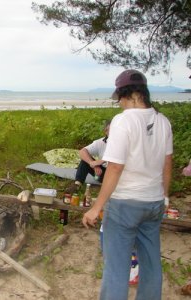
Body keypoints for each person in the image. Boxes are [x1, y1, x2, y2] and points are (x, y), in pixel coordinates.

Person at [82, 70, 172, 300]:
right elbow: (167, 164)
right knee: (151, 263)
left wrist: (96, 207)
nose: (119, 103)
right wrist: (165, 197)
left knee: (116, 267)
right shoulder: (163, 121)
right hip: (153, 203)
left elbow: (115, 167)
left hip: (125, 204)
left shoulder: (122, 121)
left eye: (119, 97)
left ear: (127, 94)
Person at [65, 120, 111, 194]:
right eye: (110, 130)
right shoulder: (100, 142)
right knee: (85, 160)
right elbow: (82, 151)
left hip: (118, 175)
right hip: (103, 173)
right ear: (106, 131)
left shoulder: (124, 142)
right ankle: (77, 185)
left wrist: (102, 161)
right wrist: (93, 164)